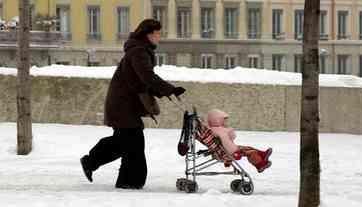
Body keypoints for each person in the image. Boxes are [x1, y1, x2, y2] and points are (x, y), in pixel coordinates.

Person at [80, 19, 186, 189]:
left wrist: (166, 91)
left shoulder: (140, 50)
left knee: (126, 141)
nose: (160, 36)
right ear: (148, 34)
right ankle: (126, 181)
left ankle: (109, 171)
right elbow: (147, 77)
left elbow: (142, 81)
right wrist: (169, 89)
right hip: (123, 104)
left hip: (125, 103)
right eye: (158, 33)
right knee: (132, 142)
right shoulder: (139, 52)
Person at [207, 109, 272, 173]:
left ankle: (263, 157)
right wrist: (234, 153)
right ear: (217, 120)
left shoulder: (214, 129)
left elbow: (225, 142)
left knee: (249, 148)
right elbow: (230, 140)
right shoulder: (220, 131)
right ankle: (260, 165)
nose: (225, 122)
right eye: (223, 120)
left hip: (223, 151)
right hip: (230, 152)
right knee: (252, 152)